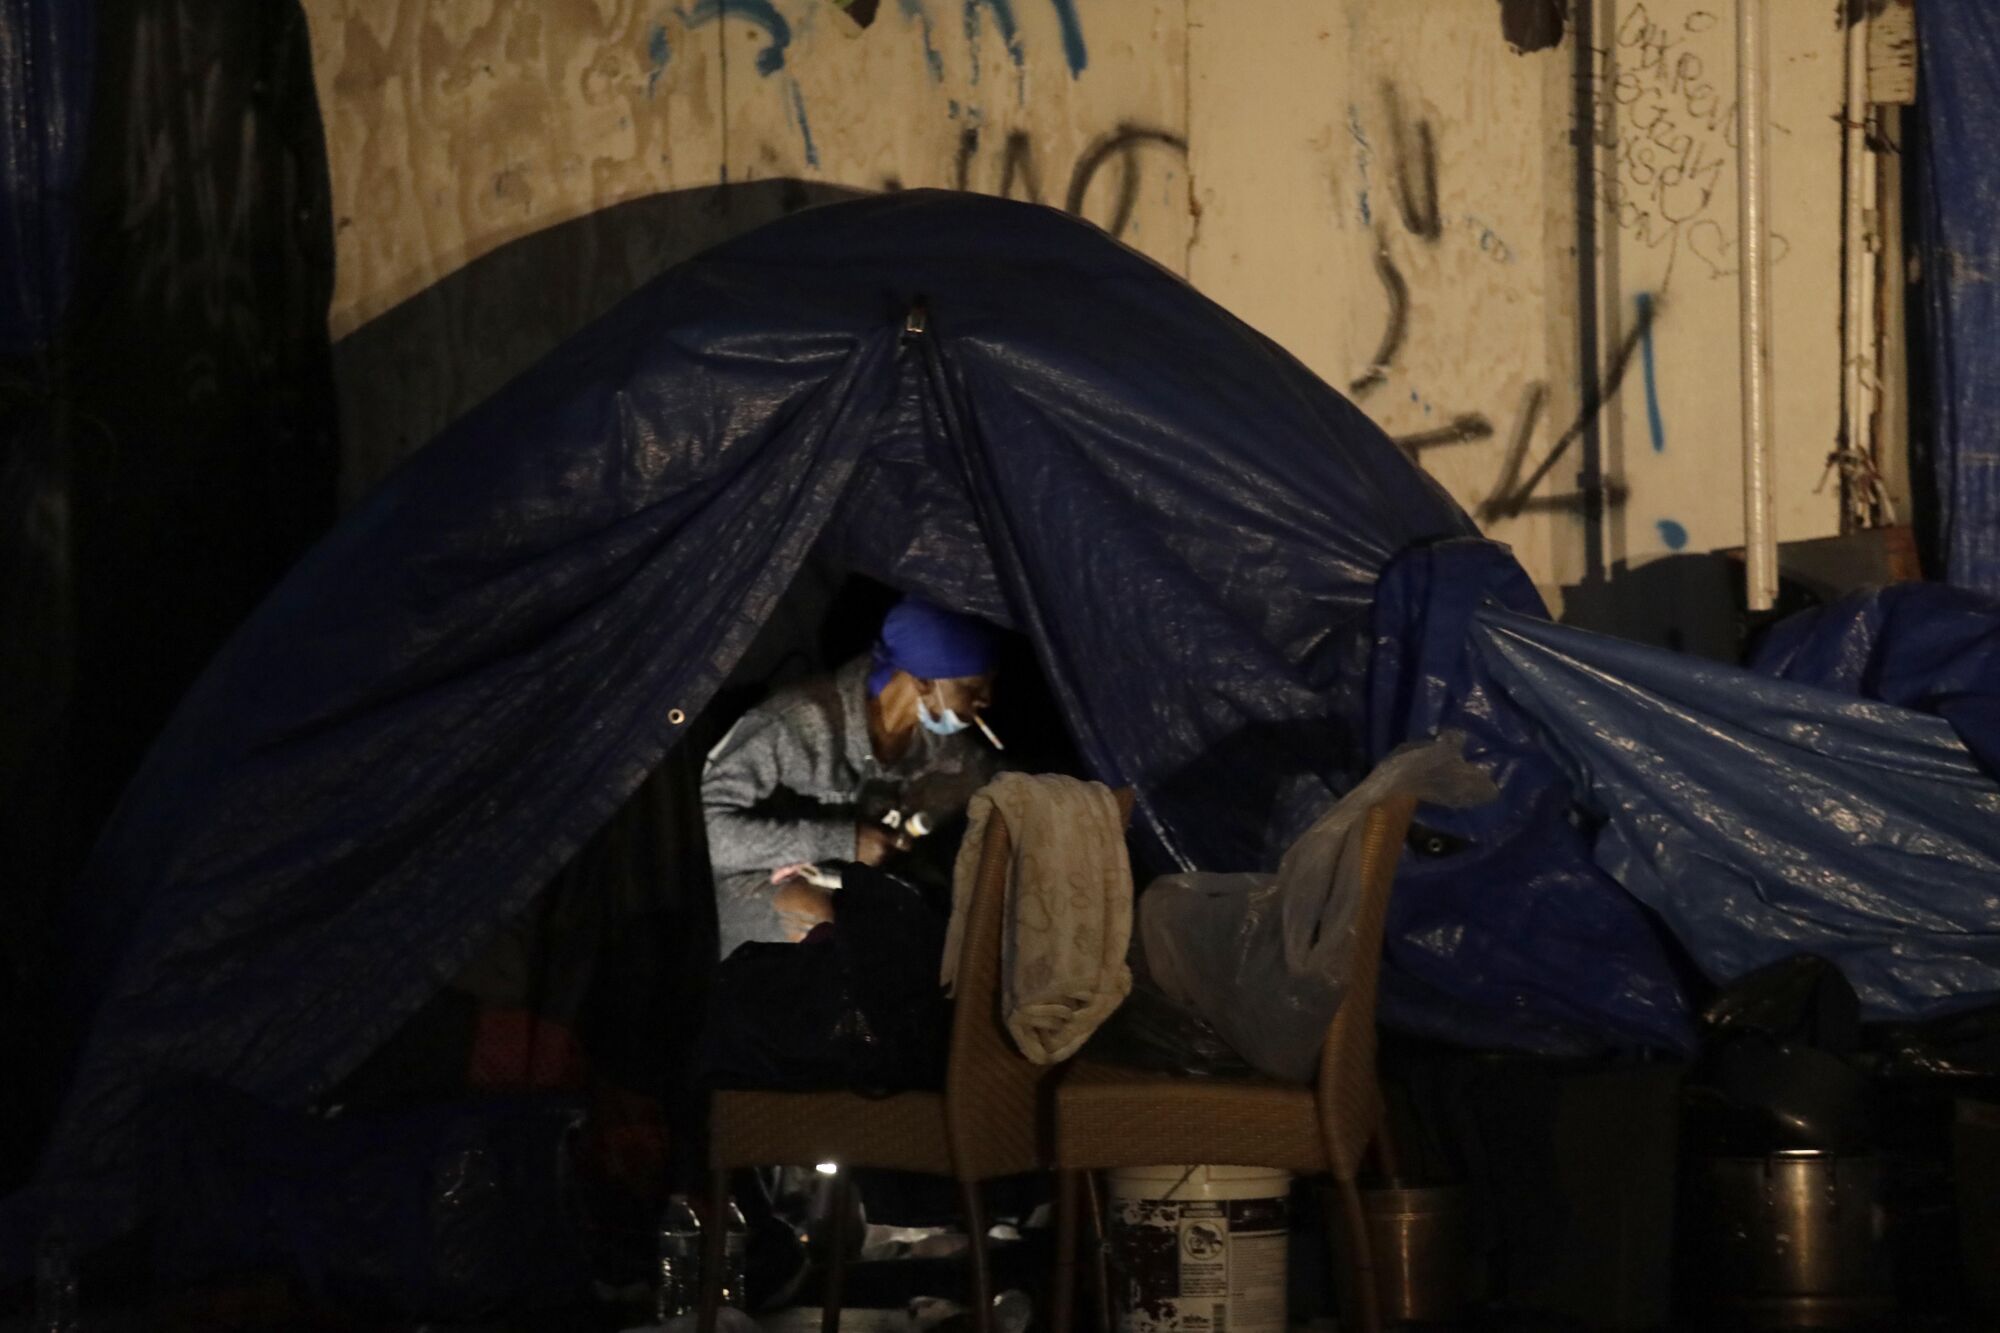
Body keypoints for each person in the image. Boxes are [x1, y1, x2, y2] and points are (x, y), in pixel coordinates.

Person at [702, 595, 1004, 956]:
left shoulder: (939, 748)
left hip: (849, 881)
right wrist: (844, 840)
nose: (986, 698)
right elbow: (711, 837)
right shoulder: (799, 723)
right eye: (972, 687)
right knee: (821, 929)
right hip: (755, 876)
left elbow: (990, 779)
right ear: (924, 681)